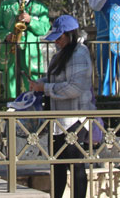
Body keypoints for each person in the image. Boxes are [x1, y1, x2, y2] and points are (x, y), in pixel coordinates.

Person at [30, 15, 95, 198]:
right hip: (58, 119)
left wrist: (46, 88)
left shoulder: (79, 53)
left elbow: (75, 87)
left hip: (74, 119)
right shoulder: (61, 54)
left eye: (59, 38)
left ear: (70, 35)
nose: (57, 42)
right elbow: (56, 79)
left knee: (76, 166)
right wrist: (40, 83)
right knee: (57, 166)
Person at [0, 0, 50, 99]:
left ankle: (33, 106)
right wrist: (6, 35)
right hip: (10, 48)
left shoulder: (41, 8)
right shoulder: (6, 5)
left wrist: (30, 20)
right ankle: (10, 109)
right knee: (9, 80)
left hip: (30, 50)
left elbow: (45, 28)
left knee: (32, 79)